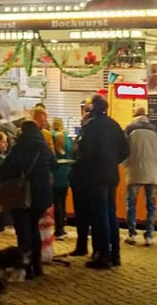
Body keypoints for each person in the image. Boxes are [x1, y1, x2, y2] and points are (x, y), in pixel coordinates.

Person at [0, 120, 55, 280]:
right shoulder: (44, 147)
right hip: (41, 195)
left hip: (22, 194)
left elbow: (5, 167)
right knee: (34, 228)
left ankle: (26, 267)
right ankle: (37, 266)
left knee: (24, 231)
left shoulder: (19, 147)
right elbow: (54, 163)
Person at [78, 95, 128, 270]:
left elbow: (85, 151)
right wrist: (112, 161)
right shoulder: (114, 125)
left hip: (96, 175)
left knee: (100, 215)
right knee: (110, 213)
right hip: (112, 174)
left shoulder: (92, 127)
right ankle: (115, 254)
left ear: (93, 109)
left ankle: (104, 255)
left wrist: (88, 163)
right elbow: (125, 150)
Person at [124, 106, 157, 246]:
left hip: (133, 172)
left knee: (131, 204)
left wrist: (127, 164)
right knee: (151, 205)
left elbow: (123, 151)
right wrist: (153, 162)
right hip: (152, 173)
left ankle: (132, 234)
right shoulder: (156, 130)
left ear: (134, 115)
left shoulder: (129, 129)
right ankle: (149, 235)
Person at [69, 98, 94, 257]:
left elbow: (80, 154)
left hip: (84, 181)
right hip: (88, 180)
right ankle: (84, 245)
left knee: (84, 215)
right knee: (88, 215)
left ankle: (83, 245)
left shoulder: (86, 134)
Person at [50, 118, 73, 240]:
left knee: (56, 202)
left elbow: (55, 154)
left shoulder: (52, 136)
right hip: (66, 173)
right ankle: (62, 228)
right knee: (62, 201)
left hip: (55, 173)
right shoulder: (67, 137)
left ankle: (58, 230)